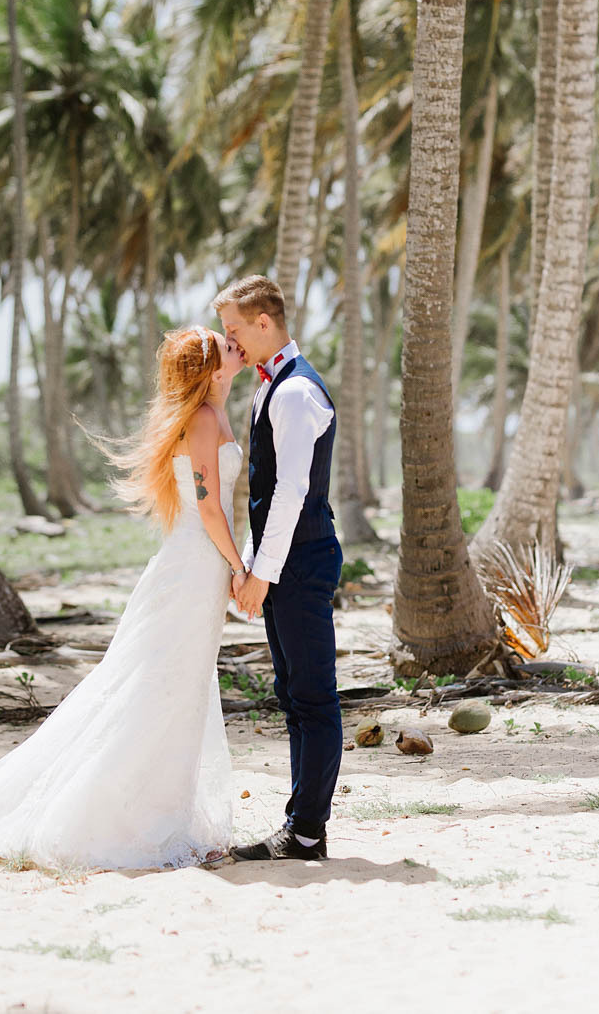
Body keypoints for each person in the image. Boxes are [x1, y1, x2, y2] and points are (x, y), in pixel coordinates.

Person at [0, 325, 246, 872]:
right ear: (210, 368)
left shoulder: (213, 414)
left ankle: (166, 809)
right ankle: (123, 816)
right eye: (226, 344)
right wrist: (239, 566)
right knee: (162, 683)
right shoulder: (201, 420)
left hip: (202, 564)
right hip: (195, 563)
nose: (235, 345)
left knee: (183, 684)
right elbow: (209, 508)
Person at [214, 276, 343, 862]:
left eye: (235, 328)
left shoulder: (293, 393)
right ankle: (300, 824)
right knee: (292, 693)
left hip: (300, 558)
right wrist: (250, 564)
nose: (229, 340)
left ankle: (307, 833)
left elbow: (290, 493)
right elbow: (266, 493)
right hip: (285, 556)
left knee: (312, 697)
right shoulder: (274, 386)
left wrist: (262, 574)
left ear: (264, 323)